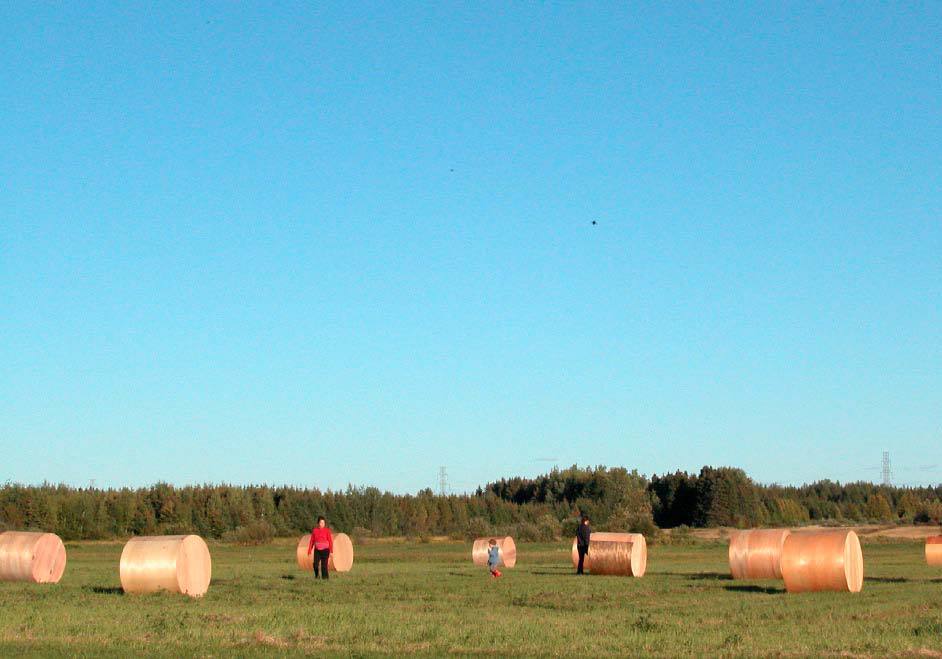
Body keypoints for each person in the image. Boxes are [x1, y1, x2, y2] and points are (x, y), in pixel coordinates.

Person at [306, 516, 334, 580]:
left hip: (325, 550)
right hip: (317, 550)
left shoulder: (327, 530)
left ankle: (325, 579)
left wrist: (331, 551)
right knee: (315, 564)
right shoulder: (315, 531)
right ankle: (317, 575)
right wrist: (309, 550)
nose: (322, 524)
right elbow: (312, 541)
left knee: (324, 566)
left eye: (323, 523)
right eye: (321, 522)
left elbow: (330, 541)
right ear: (318, 523)